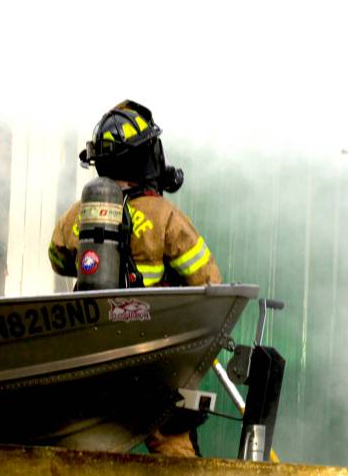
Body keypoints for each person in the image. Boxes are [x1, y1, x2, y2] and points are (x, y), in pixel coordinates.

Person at [47, 100, 221, 457]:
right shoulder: (166, 217)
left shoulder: (79, 213)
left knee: (86, 453)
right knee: (174, 451)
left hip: (91, 356)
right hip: (152, 360)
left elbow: (58, 259)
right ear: (147, 155)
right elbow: (209, 284)